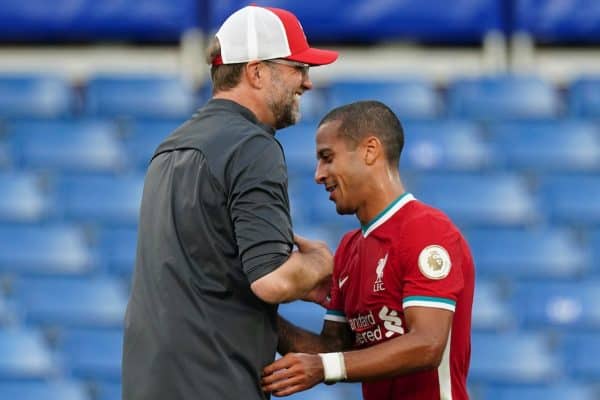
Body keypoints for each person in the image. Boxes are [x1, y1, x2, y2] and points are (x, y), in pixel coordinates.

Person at [122, 5, 338, 400]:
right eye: (297, 68)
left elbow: (209, 286)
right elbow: (271, 280)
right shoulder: (252, 145)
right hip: (212, 384)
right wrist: (319, 266)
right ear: (256, 72)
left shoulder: (169, 147)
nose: (306, 83)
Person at [261, 101, 475, 399]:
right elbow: (334, 350)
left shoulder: (426, 230)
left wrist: (324, 366)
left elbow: (427, 344)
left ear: (370, 150)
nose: (318, 175)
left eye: (327, 157)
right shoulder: (350, 248)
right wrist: (259, 312)